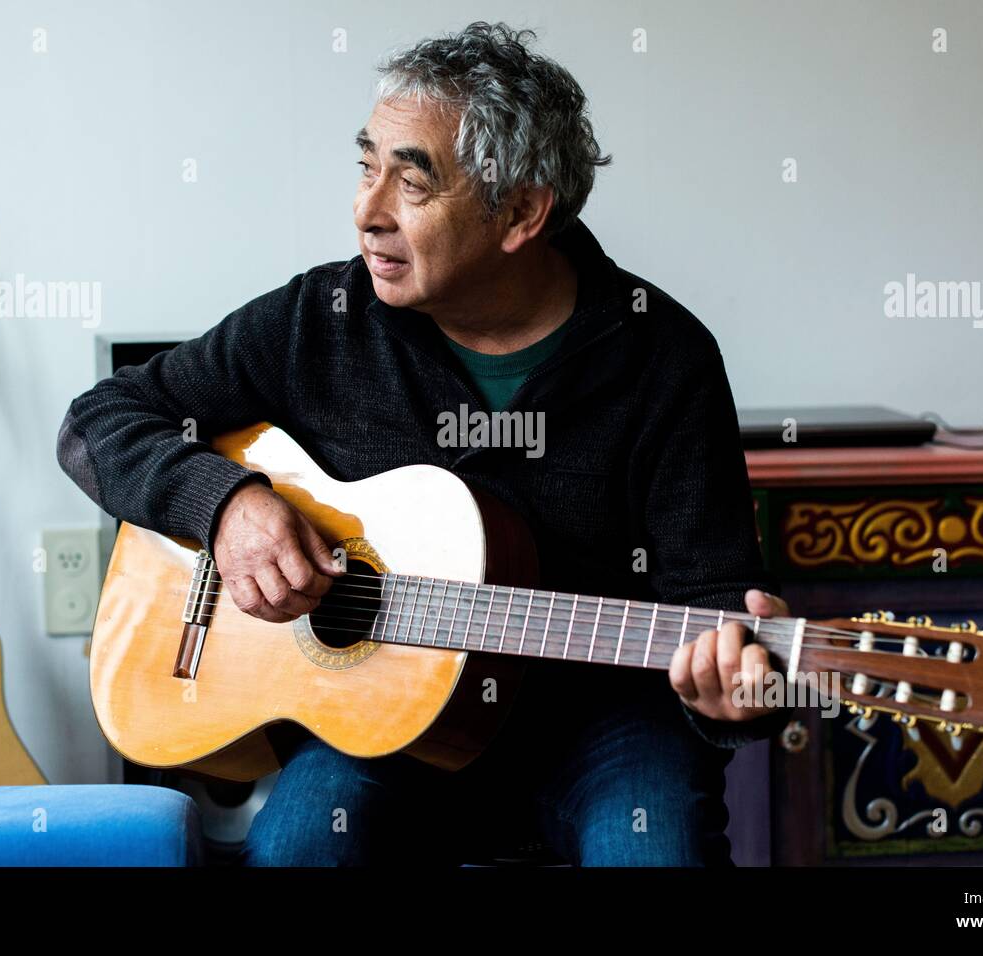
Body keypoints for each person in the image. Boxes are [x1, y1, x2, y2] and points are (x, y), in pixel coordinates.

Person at [57, 21, 792, 866]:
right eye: (366, 166)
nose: (367, 214)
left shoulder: (662, 356)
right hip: (379, 727)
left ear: (520, 212)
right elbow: (94, 424)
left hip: (603, 727)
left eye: (411, 184)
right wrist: (224, 506)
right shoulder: (321, 321)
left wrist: (736, 690)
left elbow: (720, 600)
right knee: (296, 849)